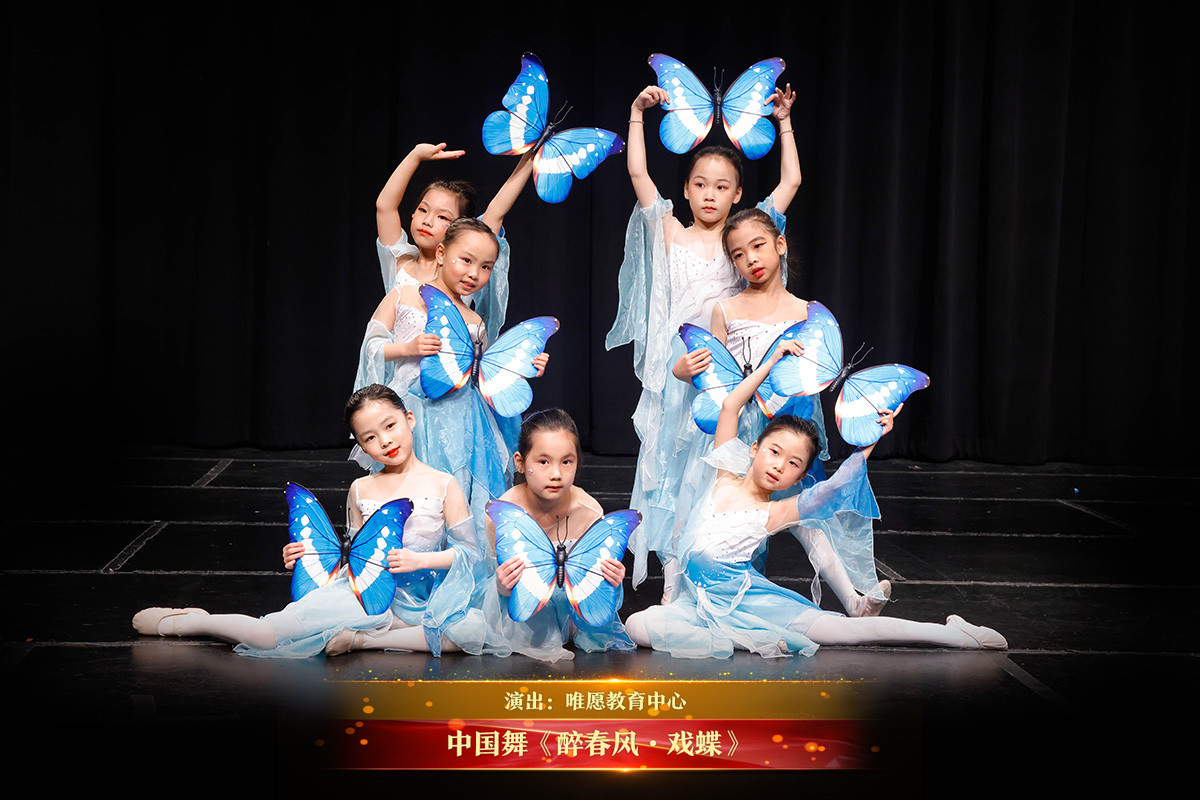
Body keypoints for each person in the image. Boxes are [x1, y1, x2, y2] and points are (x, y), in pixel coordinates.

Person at [623, 343, 1007, 658]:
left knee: (850, 632)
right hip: (699, 606)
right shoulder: (724, 472)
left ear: (799, 477)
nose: (779, 465)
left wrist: (872, 439)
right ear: (755, 448)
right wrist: (772, 360)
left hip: (753, 603)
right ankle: (748, 640)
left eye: (793, 463)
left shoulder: (776, 511)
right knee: (638, 625)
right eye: (774, 452)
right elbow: (730, 406)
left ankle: (957, 634)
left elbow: (835, 487)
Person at [606, 80, 805, 597]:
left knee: (722, 468)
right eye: (700, 184)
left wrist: (784, 122)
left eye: (722, 186)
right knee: (674, 470)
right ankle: (673, 579)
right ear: (688, 189)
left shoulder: (743, 238)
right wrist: (637, 114)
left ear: (737, 194)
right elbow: (637, 173)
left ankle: (725, 567)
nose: (710, 194)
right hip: (683, 369)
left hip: (730, 373)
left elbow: (791, 180)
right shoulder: (669, 230)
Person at [132, 385, 490, 657]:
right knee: (268, 636)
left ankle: (361, 640)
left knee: (471, 630)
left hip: (423, 600)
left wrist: (420, 560)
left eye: (390, 426)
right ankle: (194, 621)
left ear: (409, 419)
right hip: (365, 594)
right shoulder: (361, 488)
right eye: (370, 437)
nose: (385, 441)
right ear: (361, 446)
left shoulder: (444, 483)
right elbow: (353, 556)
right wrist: (304, 557)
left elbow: (470, 553)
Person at [667, 208, 886, 616]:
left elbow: (819, 374)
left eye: (758, 246)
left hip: (788, 427)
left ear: (780, 244)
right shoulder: (726, 310)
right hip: (741, 430)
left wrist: (869, 414)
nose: (750, 258)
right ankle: (683, 597)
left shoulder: (807, 312)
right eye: (738, 254)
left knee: (809, 518)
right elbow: (713, 372)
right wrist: (682, 369)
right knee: (716, 513)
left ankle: (854, 601)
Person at [353, 218, 549, 530]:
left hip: (464, 420)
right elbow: (371, 347)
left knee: (460, 489)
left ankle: (459, 552)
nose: (474, 273)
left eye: (486, 267)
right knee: (415, 493)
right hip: (413, 412)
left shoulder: (475, 321)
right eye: (466, 260)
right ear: (442, 253)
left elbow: (481, 373)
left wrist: (523, 366)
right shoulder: (404, 295)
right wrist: (408, 348)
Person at [485, 409, 636, 662]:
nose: (556, 474)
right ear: (520, 462)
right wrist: (502, 586)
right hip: (524, 615)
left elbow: (594, 575)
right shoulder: (503, 515)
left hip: (576, 607)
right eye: (543, 462)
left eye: (567, 462)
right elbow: (492, 577)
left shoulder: (589, 511)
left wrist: (613, 579)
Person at [374, 142, 534, 343]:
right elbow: (385, 206)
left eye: (442, 217)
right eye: (423, 210)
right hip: (399, 361)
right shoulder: (399, 262)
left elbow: (496, 212)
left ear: (460, 228)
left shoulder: (460, 271)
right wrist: (415, 156)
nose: (427, 221)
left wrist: (530, 157)